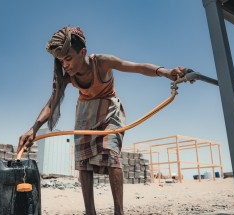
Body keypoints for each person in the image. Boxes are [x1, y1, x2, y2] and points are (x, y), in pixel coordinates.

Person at [18, 26, 187, 215]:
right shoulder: (66, 77)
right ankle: (90, 211)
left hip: (109, 112)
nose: (64, 65)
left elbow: (138, 67)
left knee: (111, 155)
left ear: (82, 53)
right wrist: (33, 128)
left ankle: (118, 211)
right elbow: (52, 103)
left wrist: (167, 72)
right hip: (85, 114)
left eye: (68, 58)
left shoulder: (102, 63)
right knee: (83, 162)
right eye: (60, 60)